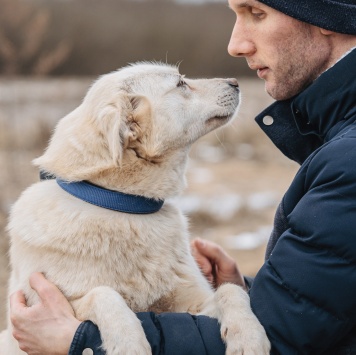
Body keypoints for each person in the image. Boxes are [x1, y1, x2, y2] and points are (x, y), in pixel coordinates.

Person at [9, 0, 356, 353]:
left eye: (257, 13)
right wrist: (244, 290)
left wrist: (82, 340)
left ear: (325, 17)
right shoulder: (339, 138)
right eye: (181, 86)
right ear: (128, 128)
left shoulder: (347, 160)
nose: (234, 45)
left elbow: (283, 339)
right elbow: (321, 307)